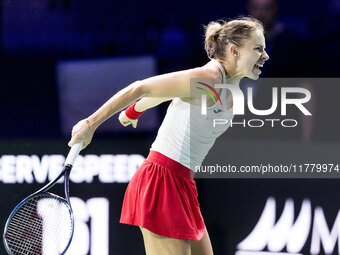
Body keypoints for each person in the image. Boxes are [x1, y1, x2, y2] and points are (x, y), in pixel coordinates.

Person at [68, 16, 269, 255]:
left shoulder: (233, 89)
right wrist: (90, 124)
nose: (265, 55)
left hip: (184, 184)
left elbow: (170, 92)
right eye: (258, 49)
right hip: (161, 182)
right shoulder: (209, 78)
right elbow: (140, 87)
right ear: (235, 51)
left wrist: (135, 110)